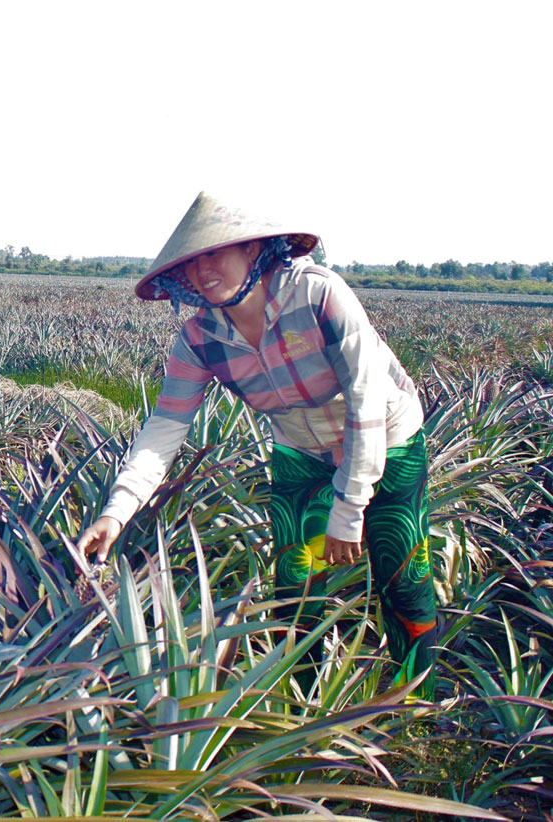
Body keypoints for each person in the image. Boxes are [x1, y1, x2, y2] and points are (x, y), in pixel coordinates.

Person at [75, 192, 438, 698]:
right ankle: (308, 701)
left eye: (215, 253)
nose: (203, 270)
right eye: (192, 261)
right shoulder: (200, 339)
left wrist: (350, 504)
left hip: (387, 440)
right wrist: (117, 510)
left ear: (253, 249)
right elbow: (166, 426)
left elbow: (365, 396)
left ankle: (414, 698)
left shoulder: (319, 296)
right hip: (298, 452)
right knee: (294, 581)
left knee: (402, 569)